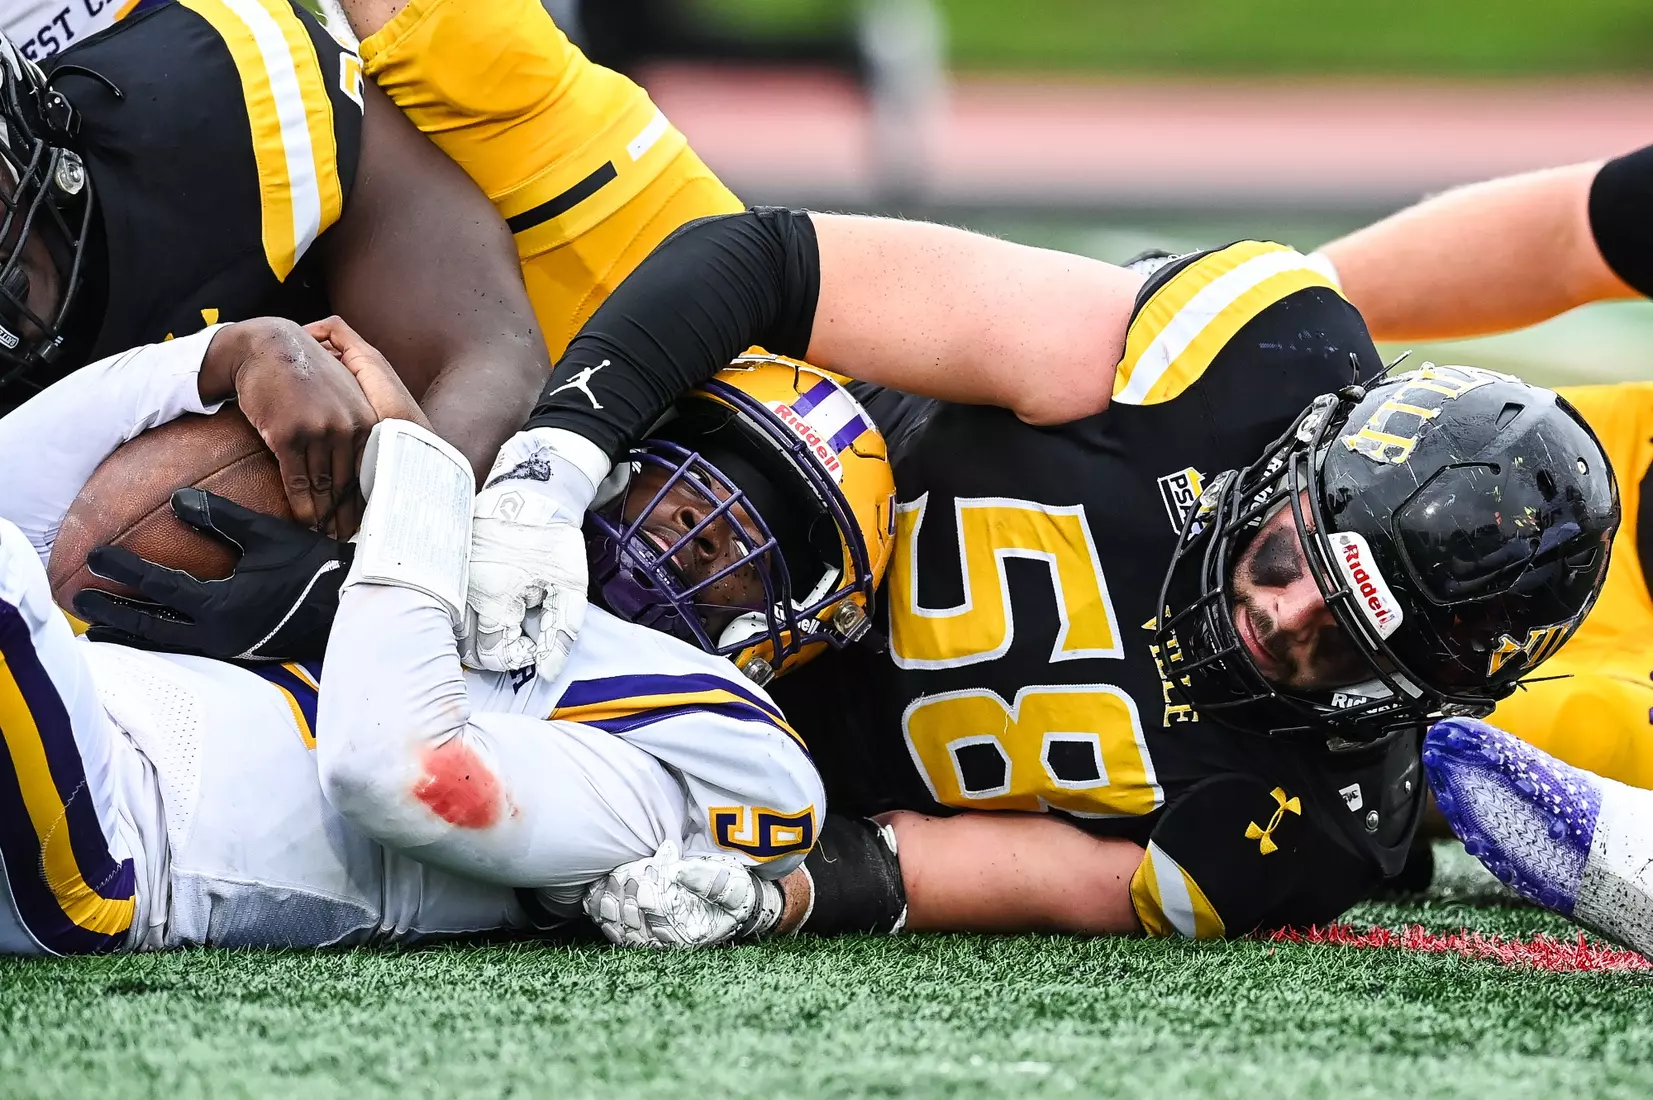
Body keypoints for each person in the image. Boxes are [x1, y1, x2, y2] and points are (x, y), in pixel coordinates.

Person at [460, 210, 1618, 946]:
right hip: (739, 489)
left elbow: (963, 868)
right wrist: (552, 464)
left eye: (1340, 647)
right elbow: (767, 262)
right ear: (1299, 454)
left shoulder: (1314, 826)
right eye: (1286, 556)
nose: (1279, 613)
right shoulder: (1227, 365)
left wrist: (778, 891)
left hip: (736, 760)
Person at [0, 316, 853, 954]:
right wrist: (229, 355)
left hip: (123, 843)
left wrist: (421, 463)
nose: (700, 531)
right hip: (74, 723)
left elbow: (390, 770)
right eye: (692, 484)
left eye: (756, 538)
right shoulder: (450, 548)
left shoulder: (736, 745)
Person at [1314, 149, 1653, 789]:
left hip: (1623, 689)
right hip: (1588, 477)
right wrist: (1285, 300)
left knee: (1348, 746)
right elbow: (1572, 233)